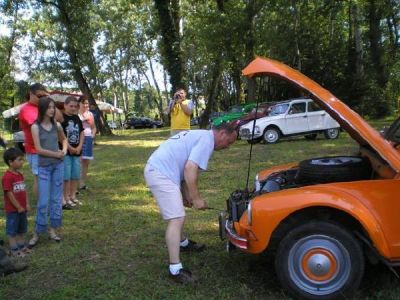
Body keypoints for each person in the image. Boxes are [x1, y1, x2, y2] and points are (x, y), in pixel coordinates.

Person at [144, 122, 238, 283]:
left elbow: (183, 168)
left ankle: (183, 243)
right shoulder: (207, 141)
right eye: (229, 142)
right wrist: (196, 199)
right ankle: (175, 269)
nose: (227, 147)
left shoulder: (202, 136)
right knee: (176, 218)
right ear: (222, 133)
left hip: (163, 171)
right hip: (160, 173)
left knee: (178, 212)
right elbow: (189, 169)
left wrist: (186, 194)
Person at [29, 97, 67, 247]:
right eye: (50, 107)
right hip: (44, 167)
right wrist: (56, 154)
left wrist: (63, 151)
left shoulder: (57, 125)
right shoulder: (35, 127)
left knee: (56, 201)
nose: (53, 110)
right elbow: (38, 150)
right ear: (43, 109)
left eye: (53, 107)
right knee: (43, 202)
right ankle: (37, 232)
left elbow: (64, 140)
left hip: (58, 166)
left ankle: (53, 230)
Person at [19, 83, 50, 197]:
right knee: (40, 178)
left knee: (47, 177)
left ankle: (47, 201)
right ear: (31, 94)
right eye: (39, 96)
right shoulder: (26, 109)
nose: (42, 99)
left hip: (47, 148)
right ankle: (42, 203)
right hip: (34, 150)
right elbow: (39, 126)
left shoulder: (43, 107)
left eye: (44, 96)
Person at [2, 147, 31, 257]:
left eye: (22, 159)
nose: (22, 162)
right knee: (12, 230)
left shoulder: (19, 175)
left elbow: (24, 191)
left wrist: (27, 203)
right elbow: (9, 193)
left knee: (21, 229)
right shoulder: (7, 177)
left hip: (22, 208)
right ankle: (14, 250)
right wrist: (18, 206)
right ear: (10, 162)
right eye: (19, 160)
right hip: (13, 210)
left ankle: (21, 246)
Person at [60, 96, 84, 209]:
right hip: (66, 152)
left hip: (77, 151)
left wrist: (79, 146)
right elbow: (60, 135)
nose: (73, 108)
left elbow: (82, 132)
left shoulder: (77, 118)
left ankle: (73, 196)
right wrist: (69, 147)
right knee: (66, 176)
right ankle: (65, 197)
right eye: (71, 106)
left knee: (75, 175)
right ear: (65, 105)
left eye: (75, 106)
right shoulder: (61, 118)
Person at [78, 96, 96, 190]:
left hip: (88, 139)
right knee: (78, 161)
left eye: (87, 103)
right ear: (79, 103)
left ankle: (82, 182)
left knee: (86, 162)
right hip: (78, 140)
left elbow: (94, 128)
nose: (85, 105)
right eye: (83, 103)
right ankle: (74, 182)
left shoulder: (90, 114)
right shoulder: (76, 114)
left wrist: (92, 136)